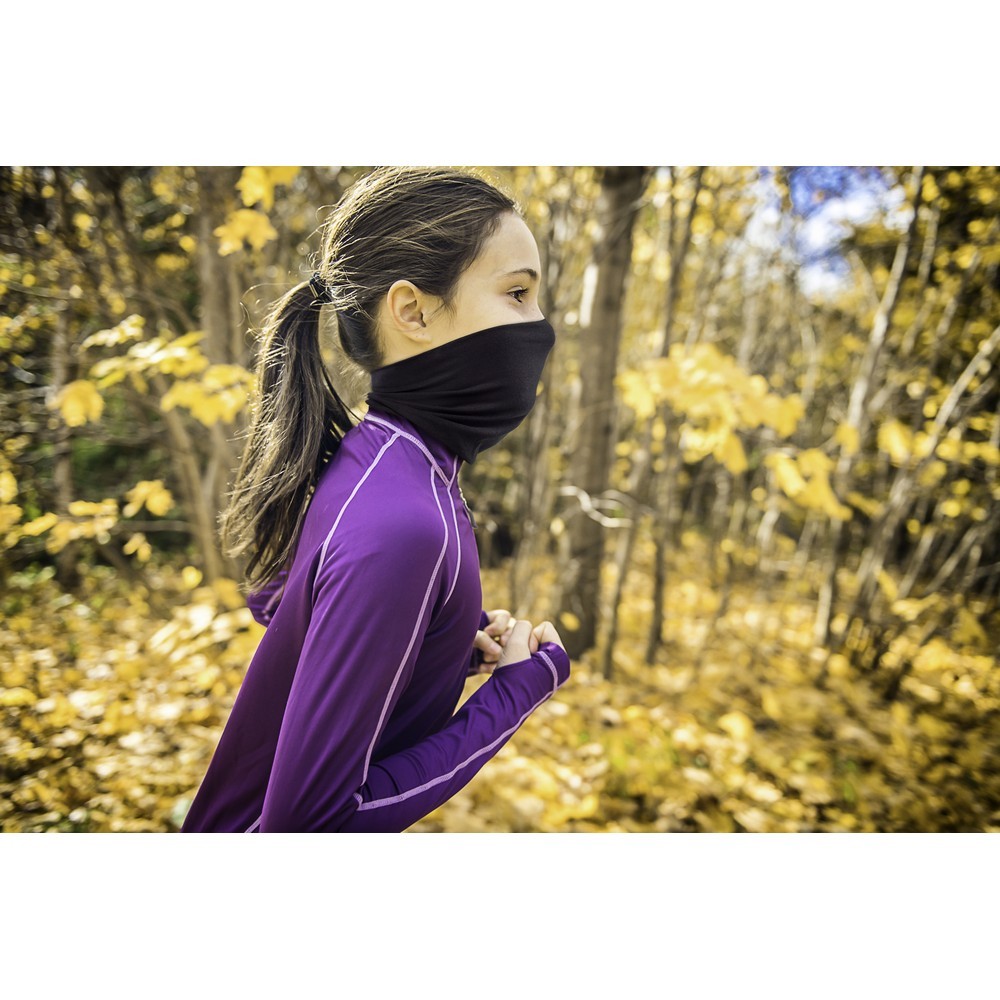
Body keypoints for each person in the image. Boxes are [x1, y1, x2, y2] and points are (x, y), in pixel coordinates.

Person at [180, 166, 571, 833]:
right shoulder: (406, 520)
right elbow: (310, 827)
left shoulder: (379, 460)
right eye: (516, 293)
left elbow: (284, 604)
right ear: (412, 312)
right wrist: (511, 696)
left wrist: (437, 646)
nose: (541, 327)